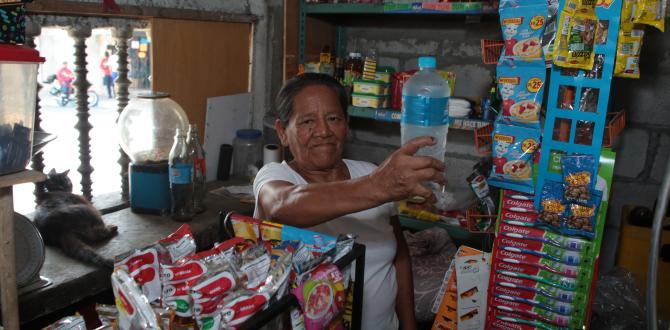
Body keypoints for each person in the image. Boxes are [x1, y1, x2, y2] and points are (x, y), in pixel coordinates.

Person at [253, 73, 445, 330]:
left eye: (333, 118)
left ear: (347, 124)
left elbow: (399, 256)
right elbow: (282, 206)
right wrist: (378, 185)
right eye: (308, 121)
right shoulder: (276, 177)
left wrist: (409, 326)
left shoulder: (369, 172)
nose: (323, 131)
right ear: (282, 132)